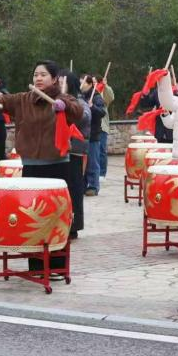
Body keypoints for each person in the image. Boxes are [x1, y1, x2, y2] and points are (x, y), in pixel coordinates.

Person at [0, 61, 84, 275]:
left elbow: (78, 112)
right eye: (35, 75)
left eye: (43, 75)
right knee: (32, 217)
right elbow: (3, 99)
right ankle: (36, 266)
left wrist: (64, 107)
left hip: (57, 167)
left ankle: (57, 267)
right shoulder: (24, 99)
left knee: (55, 217)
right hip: (31, 166)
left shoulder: (63, 98)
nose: (38, 78)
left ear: (54, 78)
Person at [64, 72, 92, 237]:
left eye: (62, 82)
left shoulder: (79, 101)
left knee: (74, 188)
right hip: (61, 151)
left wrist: (68, 108)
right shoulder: (58, 100)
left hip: (75, 150)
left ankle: (74, 225)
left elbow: (85, 117)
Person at [81, 74, 106, 196]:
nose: (81, 85)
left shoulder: (96, 97)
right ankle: (83, 185)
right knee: (83, 163)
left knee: (92, 162)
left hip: (93, 134)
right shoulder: (80, 96)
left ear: (90, 84)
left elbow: (102, 113)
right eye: (80, 83)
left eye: (83, 83)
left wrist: (92, 107)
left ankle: (93, 186)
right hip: (82, 134)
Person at [97, 76, 114, 189]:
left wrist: (105, 85)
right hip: (91, 127)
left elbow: (111, 97)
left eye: (96, 81)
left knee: (102, 150)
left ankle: (102, 173)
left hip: (102, 126)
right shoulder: (88, 94)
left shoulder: (103, 94)